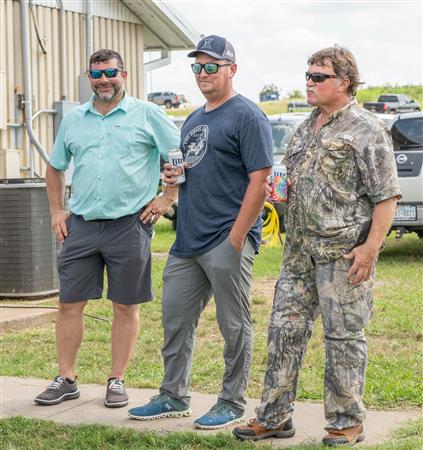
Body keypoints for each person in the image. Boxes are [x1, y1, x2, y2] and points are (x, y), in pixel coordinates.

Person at [233, 46, 401, 446]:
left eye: (318, 77)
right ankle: (273, 417)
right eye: (307, 75)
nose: (308, 82)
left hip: (344, 255)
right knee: (283, 332)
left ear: (344, 82)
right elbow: (296, 180)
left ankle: (347, 422)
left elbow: (387, 196)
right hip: (298, 254)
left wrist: (370, 249)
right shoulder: (306, 126)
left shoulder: (367, 129)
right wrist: (282, 192)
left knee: (343, 339)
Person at [128, 35, 273, 429]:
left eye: (212, 66)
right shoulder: (194, 118)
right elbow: (191, 170)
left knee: (233, 325)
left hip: (226, 236)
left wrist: (238, 236)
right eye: (197, 66)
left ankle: (232, 401)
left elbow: (260, 180)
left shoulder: (248, 116)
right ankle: (173, 395)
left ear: (232, 69)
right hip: (188, 240)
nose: (203, 73)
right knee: (175, 320)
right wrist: (173, 178)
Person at [35, 49, 180, 408]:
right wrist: (57, 211)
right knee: (69, 304)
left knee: (124, 307)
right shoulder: (74, 120)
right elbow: (55, 167)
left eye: (110, 73)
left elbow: (178, 155)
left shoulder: (147, 114)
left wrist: (168, 197)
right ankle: (66, 378)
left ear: (123, 74)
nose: (104, 80)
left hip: (130, 225)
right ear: (90, 77)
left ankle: (117, 379)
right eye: (97, 74)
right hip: (81, 226)